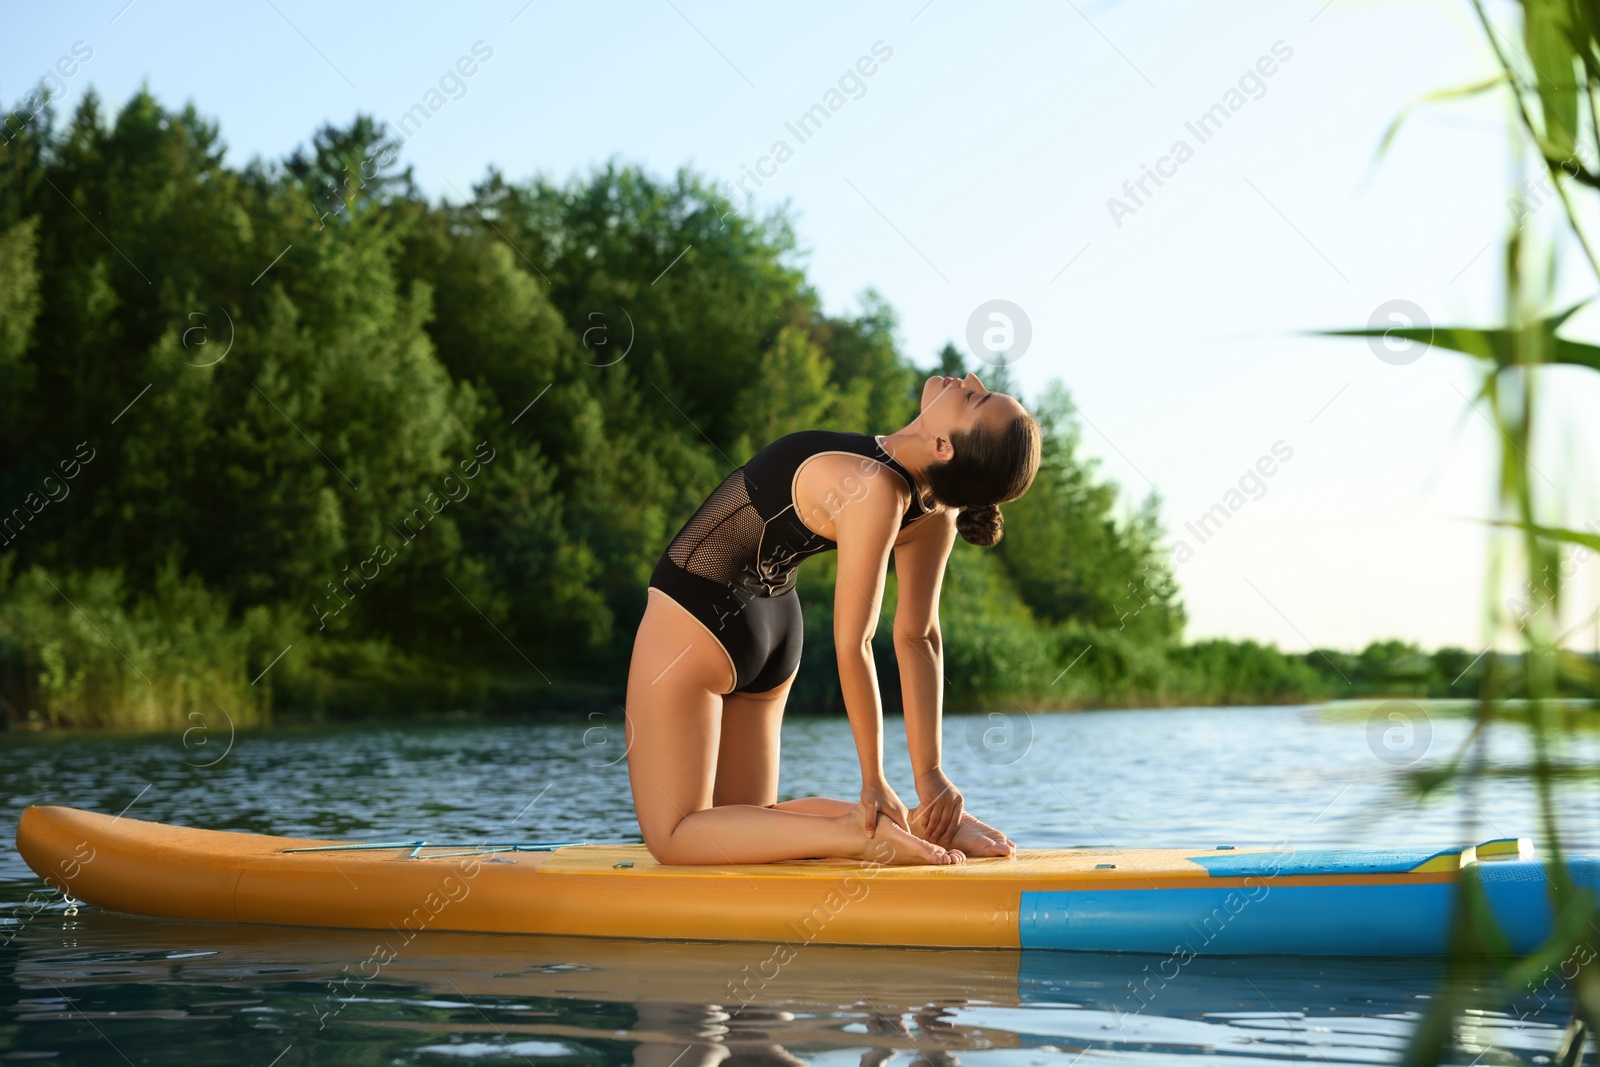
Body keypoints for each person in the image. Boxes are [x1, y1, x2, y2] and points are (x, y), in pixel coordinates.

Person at [623, 371, 1042, 866]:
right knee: (747, 818)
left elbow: (855, 643)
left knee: (675, 835)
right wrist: (930, 780)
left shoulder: (874, 487)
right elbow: (919, 638)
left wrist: (873, 779)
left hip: (697, 611)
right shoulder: (934, 507)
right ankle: (921, 825)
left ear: (943, 447)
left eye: (975, 397)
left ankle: (861, 835)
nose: (968, 378)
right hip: (775, 630)